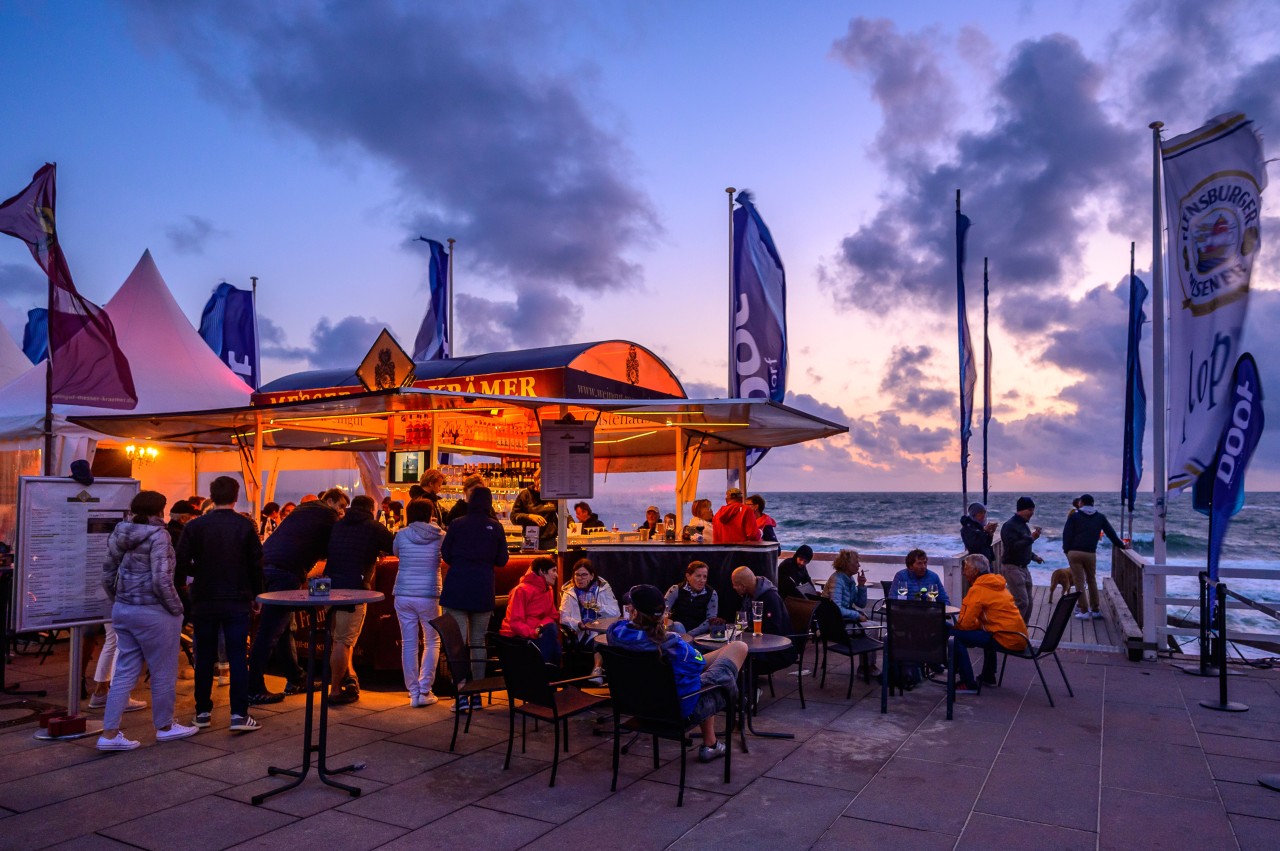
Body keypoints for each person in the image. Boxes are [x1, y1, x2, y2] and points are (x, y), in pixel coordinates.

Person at [97, 491, 198, 751]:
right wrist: (177, 609)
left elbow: (107, 573)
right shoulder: (159, 536)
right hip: (154, 611)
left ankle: (109, 734)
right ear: (160, 510)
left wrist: (118, 599)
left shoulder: (120, 531)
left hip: (124, 608)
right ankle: (165, 727)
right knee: (163, 671)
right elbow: (162, 580)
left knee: (123, 671)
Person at [606, 584, 746, 764]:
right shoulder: (672, 644)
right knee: (738, 648)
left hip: (637, 706)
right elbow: (698, 666)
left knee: (692, 673)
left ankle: (711, 744)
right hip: (677, 712)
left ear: (632, 610)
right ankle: (713, 741)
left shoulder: (615, 633)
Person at [176, 475, 264, 733]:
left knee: (204, 656)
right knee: (238, 656)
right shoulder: (245, 526)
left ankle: (202, 712)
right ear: (237, 496)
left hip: (204, 598)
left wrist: (194, 575)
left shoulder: (195, 526)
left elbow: (180, 562)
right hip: (237, 597)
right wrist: (258, 595)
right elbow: (256, 564)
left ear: (211, 496)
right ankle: (239, 714)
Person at [247, 487, 350, 705]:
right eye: (341, 506)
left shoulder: (303, 510)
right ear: (330, 500)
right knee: (270, 631)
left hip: (266, 566)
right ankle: (253, 686)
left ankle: (296, 678)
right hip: (286, 571)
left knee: (284, 628)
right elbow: (331, 549)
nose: (342, 512)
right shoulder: (327, 515)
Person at [440, 485, 509, 711]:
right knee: (478, 641)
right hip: (482, 588)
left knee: (458, 644)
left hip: (457, 586)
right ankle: (477, 692)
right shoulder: (495, 527)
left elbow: (446, 554)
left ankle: (461, 693)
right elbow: (502, 560)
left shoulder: (457, 524)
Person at [322, 495, 394, 704]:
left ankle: (349, 678)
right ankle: (335, 691)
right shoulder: (373, 527)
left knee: (339, 639)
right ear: (372, 509)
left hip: (330, 586)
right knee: (344, 641)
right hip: (353, 589)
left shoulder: (338, 524)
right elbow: (395, 546)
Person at [394, 498, 446, 707]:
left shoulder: (401, 534)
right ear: (430, 513)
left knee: (409, 643)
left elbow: (397, 554)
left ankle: (413, 693)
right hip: (429, 593)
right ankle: (425, 690)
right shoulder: (440, 535)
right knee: (432, 641)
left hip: (404, 592)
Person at [950, 554, 1028, 692]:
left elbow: (965, 624)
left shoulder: (978, 589)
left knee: (954, 637)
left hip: (1005, 638)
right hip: (1019, 637)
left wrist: (957, 629)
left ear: (975, 571)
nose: (963, 572)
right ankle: (988, 675)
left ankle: (968, 683)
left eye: (966, 568)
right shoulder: (998, 584)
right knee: (986, 632)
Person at [1061, 494, 1127, 620]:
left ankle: (1084, 611)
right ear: (1092, 504)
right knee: (1091, 580)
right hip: (1090, 553)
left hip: (1074, 552)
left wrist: (1066, 550)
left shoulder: (1074, 516)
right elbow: (1111, 534)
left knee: (1079, 581)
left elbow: (1067, 534)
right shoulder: (1100, 517)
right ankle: (1095, 610)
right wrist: (1122, 546)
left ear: (1081, 503)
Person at [560, 558, 619, 682]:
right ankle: (597, 670)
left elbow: (616, 612)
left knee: (605, 637)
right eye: (577, 575)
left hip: (600, 629)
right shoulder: (569, 592)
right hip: (580, 632)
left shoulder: (603, 589)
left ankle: (599, 670)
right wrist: (577, 624)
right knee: (601, 640)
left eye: (584, 575)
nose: (580, 578)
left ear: (592, 576)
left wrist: (598, 607)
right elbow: (563, 617)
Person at [825, 549, 879, 676]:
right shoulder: (837, 580)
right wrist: (857, 615)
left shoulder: (848, 580)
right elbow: (836, 608)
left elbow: (861, 603)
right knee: (871, 629)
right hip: (835, 626)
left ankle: (869, 665)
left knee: (874, 626)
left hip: (843, 621)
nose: (859, 565)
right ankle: (865, 667)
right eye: (856, 563)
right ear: (846, 564)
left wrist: (861, 586)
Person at [500, 556, 562, 664]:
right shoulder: (521, 590)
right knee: (553, 642)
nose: (557, 575)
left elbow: (553, 615)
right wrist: (534, 632)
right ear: (542, 571)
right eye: (554, 571)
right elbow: (515, 622)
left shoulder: (548, 590)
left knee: (553, 634)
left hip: (538, 633)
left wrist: (540, 628)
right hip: (518, 637)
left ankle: (541, 671)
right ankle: (541, 671)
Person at [1000, 497, 1043, 623]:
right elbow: (1012, 547)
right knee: (1022, 602)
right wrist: (1031, 538)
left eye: (1033, 510)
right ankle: (1013, 632)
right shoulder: (1009, 526)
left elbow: (1024, 547)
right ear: (1021, 510)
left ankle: (1023, 632)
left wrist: (1034, 557)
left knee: (1029, 603)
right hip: (1012, 567)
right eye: (1030, 509)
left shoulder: (1024, 526)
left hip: (1024, 568)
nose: (1032, 513)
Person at [664, 560, 719, 636]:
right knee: (677, 625)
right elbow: (663, 611)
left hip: (698, 636)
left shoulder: (711, 593)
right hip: (676, 633)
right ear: (688, 576)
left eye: (704, 577)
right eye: (698, 576)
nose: (702, 580)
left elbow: (711, 619)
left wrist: (690, 634)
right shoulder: (675, 589)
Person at [511, 471, 557, 550]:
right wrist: (529, 516)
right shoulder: (525, 495)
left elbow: (563, 512)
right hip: (530, 539)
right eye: (541, 484)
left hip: (550, 541)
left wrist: (570, 523)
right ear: (536, 480)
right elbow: (513, 517)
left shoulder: (552, 495)